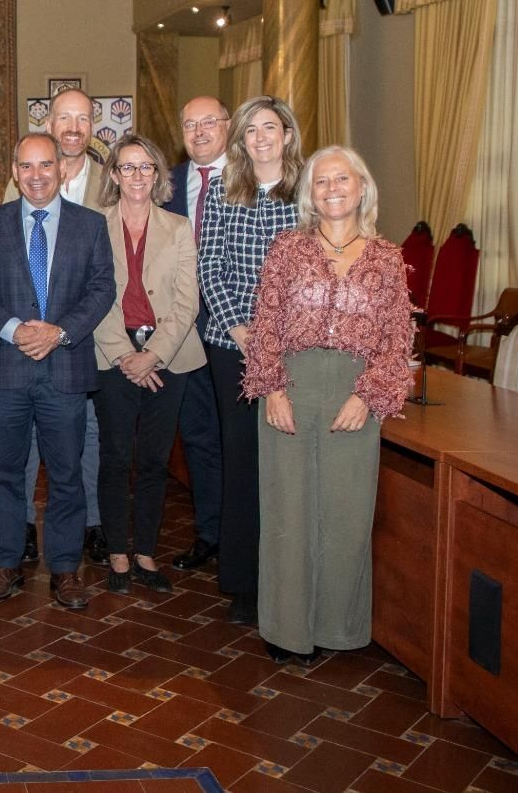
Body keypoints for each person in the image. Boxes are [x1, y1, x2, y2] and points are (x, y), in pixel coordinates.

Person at [243, 147, 414, 664]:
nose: (332, 188)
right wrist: (272, 389)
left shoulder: (386, 258)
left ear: (362, 188)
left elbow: (397, 340)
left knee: (346, 513)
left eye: (342, 179)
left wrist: (367, 396)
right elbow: (265, 325)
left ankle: (336, 628)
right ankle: (285, 630)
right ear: (310, 196)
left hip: (355, 393)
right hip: (291, 387)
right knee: (287, 513)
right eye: (321, 182)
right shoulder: (287, 250)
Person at [0, 133, 116, 610]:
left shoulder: (90, 225)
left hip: (66, 367)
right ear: (15, 171)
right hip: (5, 369)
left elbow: (101, 290)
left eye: (45, 165)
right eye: (27, 166)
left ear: (61, 169)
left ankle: (64, 569)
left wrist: (58, 332)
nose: (36, 175)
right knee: (5, 472)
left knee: (67, 473)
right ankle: (7, 562)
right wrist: (16, 330)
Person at [198, 95, 303, 626]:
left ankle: (290, 579)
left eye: (270, 127)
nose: (260, 137)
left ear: (287, 134)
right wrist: (244, 331)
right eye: (250, 129)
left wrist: (277, 338)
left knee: (286, 467)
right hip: (231, 345)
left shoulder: (309, 192)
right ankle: (245, 583)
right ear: (239, 140)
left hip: (295, 351)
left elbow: (315, 273)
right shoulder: (222, 189)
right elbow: (209, 266)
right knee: (243, 464)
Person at [91, 133, 205, 596]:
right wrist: (125, 356)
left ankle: (145, 552)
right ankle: (117, 550)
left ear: (158, 175)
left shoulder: (178, 228)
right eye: (127, 167)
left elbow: (186, 302)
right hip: (110, 355)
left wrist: (153, 355)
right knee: (116, 458)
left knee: (155, 461)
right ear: (114, 175)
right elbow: (93, 297)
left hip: (170, 358)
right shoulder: (92, 226)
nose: (137, 176)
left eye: (146, 167)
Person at [2, 86, 106, 567]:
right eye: (64, 117)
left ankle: (87, 530)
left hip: (88, 341)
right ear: (49, 124)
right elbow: (4, 266)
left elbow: (106, 278)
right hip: (22, 347)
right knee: (18, 455)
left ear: (93, 125)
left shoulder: (114, 179)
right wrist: (21, 329)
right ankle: (20, 528)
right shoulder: (22, 179)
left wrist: (62, 330)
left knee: (83, 445)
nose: (72, 126)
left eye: (81, 118)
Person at [163, 96, 230, 573]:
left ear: (228, 126)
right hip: (183, 331)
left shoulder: (251, 180)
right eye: (191, 124)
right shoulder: (168, 181)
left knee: (241, 438)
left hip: (238, 333)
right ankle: (211, 532)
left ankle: (246, 533)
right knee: (200, 435)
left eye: (210, 122)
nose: (200, 131)